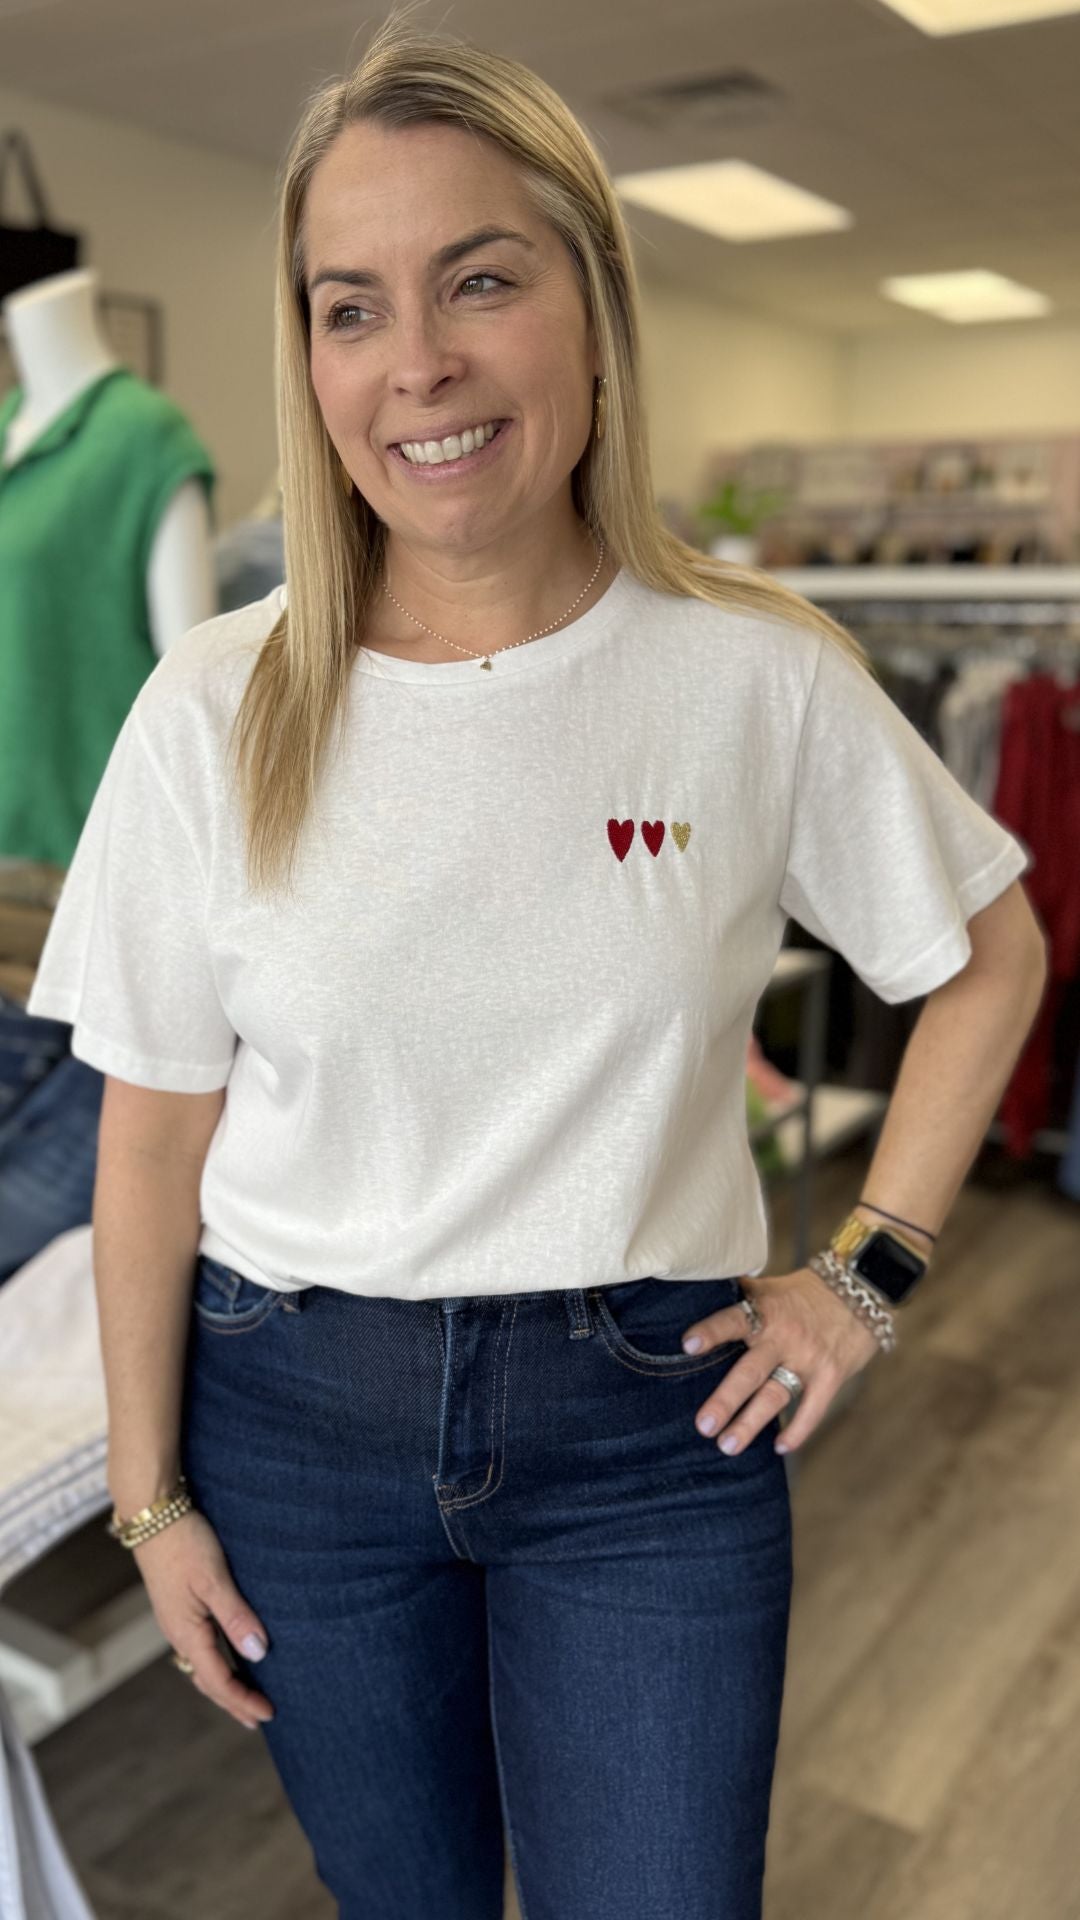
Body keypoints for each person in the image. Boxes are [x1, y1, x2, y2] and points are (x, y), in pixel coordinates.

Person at [26, 13, 1047, 1919]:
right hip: (294, 1426)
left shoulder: (755, 675)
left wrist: (866, 1274)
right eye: (351, 306)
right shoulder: (212, 706)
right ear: (308, 350)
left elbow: (990, 957)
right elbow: (151, 1138)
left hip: (646, 1434)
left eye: (478, 280)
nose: (415, 363)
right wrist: (151, 1498)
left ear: (592, 306)